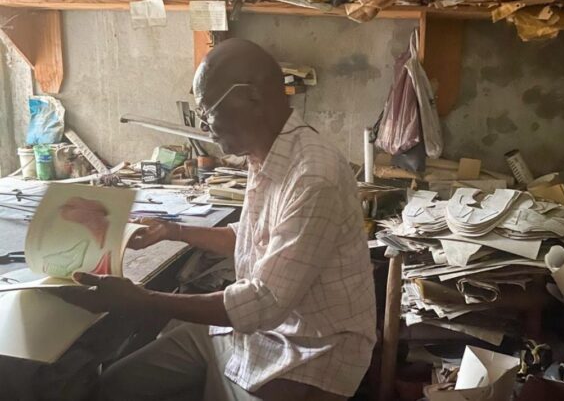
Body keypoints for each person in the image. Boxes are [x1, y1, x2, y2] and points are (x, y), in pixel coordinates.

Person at [57, 38, 377, 401]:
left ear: (252, 97)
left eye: (208, 111)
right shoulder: (266, 154)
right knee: (115, 387)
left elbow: (263, 302)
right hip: (250, 333)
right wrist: (173, 230)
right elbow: (254, 236)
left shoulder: (313, 175)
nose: (206, 126)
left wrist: (140, 299)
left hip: (308, 350)